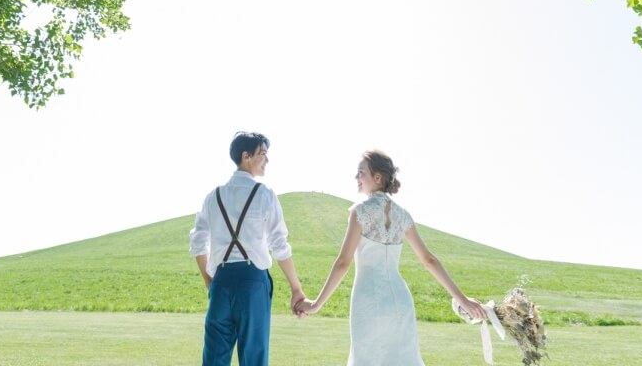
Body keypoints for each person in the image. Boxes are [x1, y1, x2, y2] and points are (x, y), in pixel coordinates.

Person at [295, 149, 487, 365]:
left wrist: (316, 304)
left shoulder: (360, 211)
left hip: (368, 300)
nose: (356, 177)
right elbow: (429, 260)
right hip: (400, 301)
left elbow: (343, 263)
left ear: (377, 178)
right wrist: (463, 300)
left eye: (361, 172)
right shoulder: (403, 215)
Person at [189, 131, 307, 366]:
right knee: (253, 358)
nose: (267, 160)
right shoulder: (265, 195)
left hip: (221, 281)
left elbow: (197, 242)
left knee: (213, 359)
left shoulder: (213, 197)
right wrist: (296, 288)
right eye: (263, 154)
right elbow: (279, 245)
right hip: (253, 282)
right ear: (246, 156)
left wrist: (210, 282)